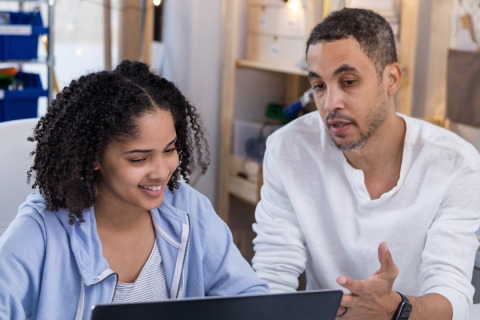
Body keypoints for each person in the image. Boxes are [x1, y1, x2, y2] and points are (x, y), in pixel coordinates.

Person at [252, 8, 480, 320]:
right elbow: (272, 276)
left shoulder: (456, 163)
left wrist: (395, 309)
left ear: (391, 79)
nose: (331, 103)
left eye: (348, 81)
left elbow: (451, 296)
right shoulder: (289, 149)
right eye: (319, 86)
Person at [0, 60, 269, 320]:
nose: (161, 171)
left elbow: (250, 300)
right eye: (139, 159)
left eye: (169, 149)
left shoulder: (189, 210)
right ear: (93, 158)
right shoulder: (40, 230)